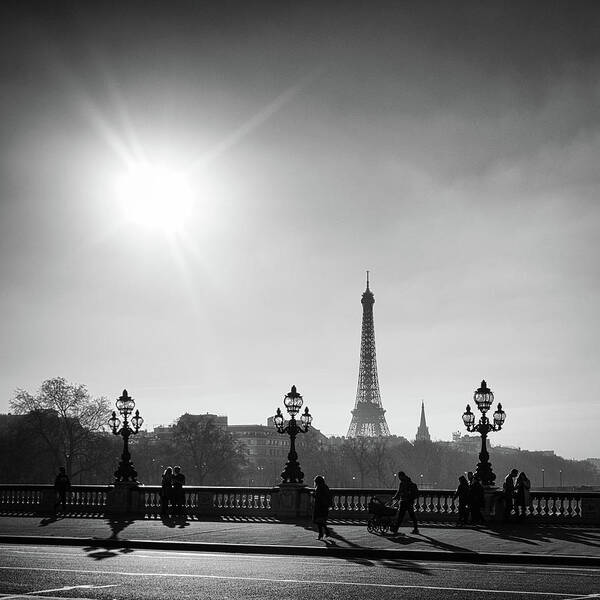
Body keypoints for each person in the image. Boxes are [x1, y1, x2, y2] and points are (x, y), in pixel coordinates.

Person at [312, 475, 333, 540]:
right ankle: (324, 533)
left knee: (319, 521)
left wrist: (313, 495)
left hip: (319, 507)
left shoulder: (319, 487)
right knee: (321, 521)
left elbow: (318, 497)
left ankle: (323, 533)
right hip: (324, 506)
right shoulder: (325, 487)